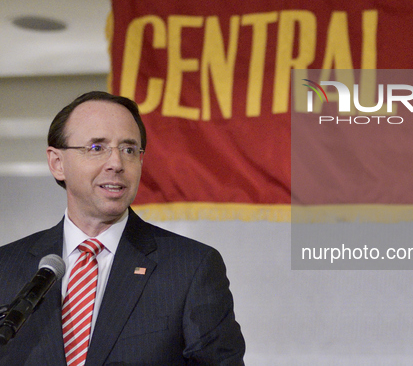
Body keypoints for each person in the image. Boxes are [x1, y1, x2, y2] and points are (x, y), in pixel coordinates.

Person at [0, 91, 246, 365]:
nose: (116, 164)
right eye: (97, 148)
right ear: (58, 163)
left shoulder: (190, 268)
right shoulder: (6, 268)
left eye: (129, 150)